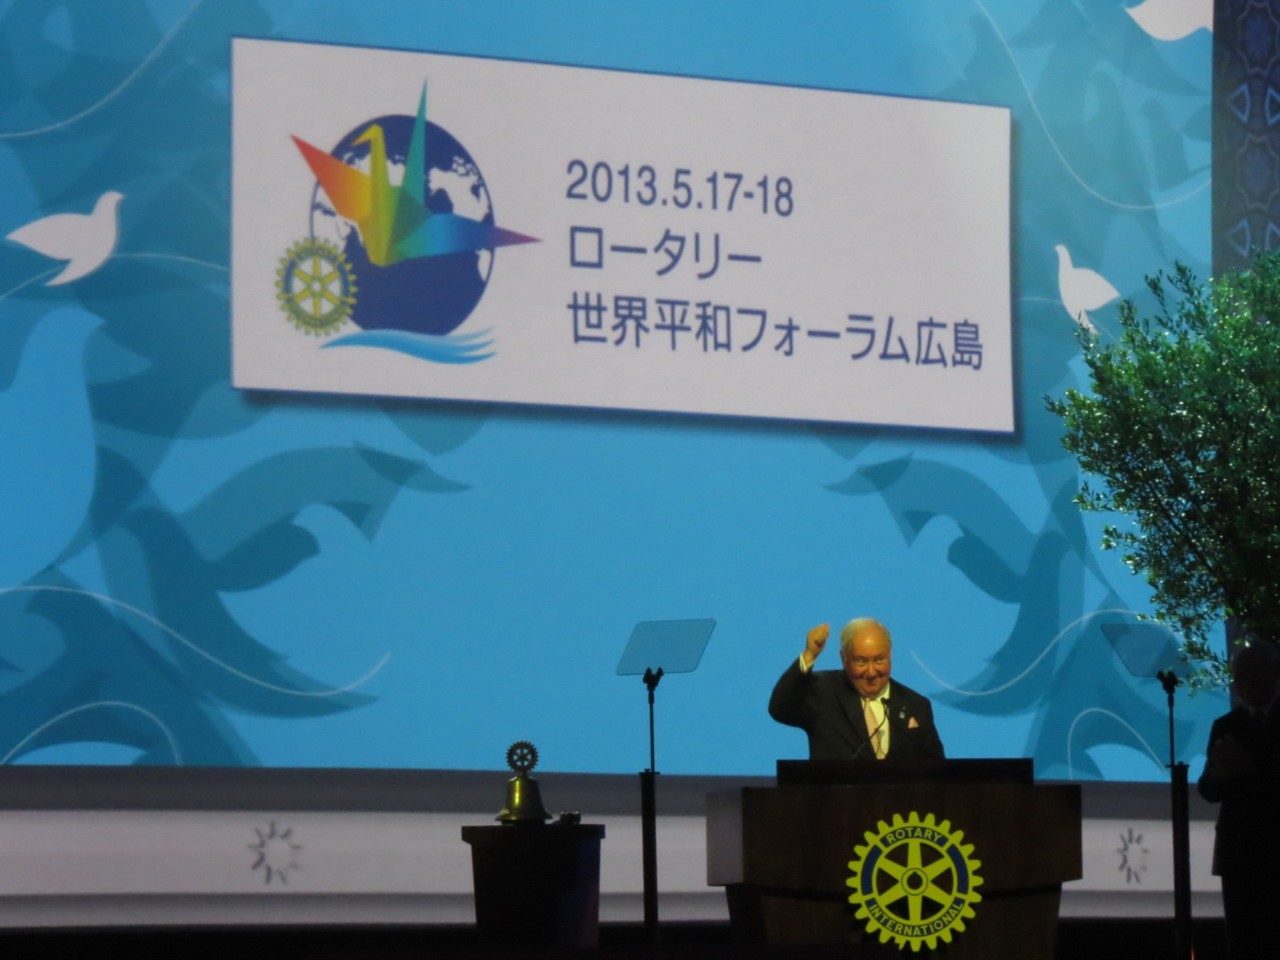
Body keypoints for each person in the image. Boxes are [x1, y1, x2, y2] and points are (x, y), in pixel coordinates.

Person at [1198, 640, 1280, 960]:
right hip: (1238, 852)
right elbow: (1207, 790)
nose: (1246, 684)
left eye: (1253, 675)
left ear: (1274, 674)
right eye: (1240, 677)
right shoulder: (1226, 725)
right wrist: (1219, 774)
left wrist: (1248, 767)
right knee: (1242, 939)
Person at [768, 618, 944, 761]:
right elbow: (780, 710)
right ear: (844, 658)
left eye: (879, 659)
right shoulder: (822, 692)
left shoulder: (916, 705)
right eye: (861, 661)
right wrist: (809, 655)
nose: (871, 672)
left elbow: (937, 771)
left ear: (890, 655)